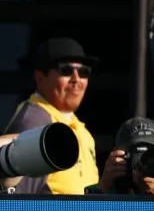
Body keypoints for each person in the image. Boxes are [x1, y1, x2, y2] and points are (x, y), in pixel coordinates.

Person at [3, 38, 100, 195]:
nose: (76, 79)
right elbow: (18, 203)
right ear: (40, 78)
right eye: (66, 70)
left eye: (83, 72)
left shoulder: (76, 126)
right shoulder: (35, 122)